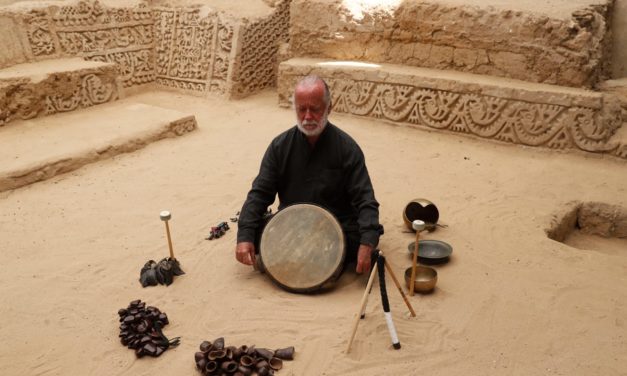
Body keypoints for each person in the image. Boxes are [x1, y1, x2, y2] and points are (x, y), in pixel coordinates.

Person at [235, 75, 383, 274]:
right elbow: (259, 194)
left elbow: (365, 200)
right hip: (292, 224)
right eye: (301, 109)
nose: (307, 117)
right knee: (255, 232)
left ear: (329, 108)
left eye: (314, 109)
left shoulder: (347, 149)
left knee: (363, 240)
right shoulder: (280, 146)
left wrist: (367, 242)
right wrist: (244, 236)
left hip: (336, 227)